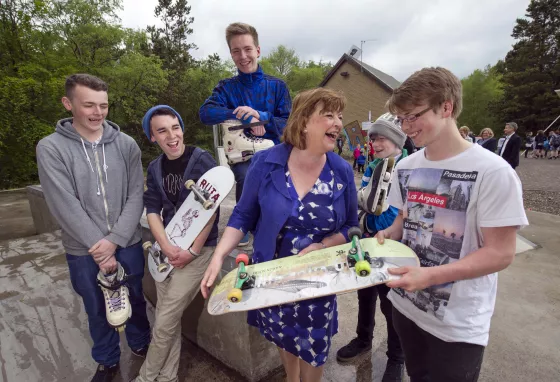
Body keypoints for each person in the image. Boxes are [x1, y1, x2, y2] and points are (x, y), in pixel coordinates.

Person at [378, 67, 527, 382]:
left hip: (457, 324)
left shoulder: (493, 172)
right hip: (406, 307)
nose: (406, 127)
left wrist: (430, 275)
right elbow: (406, 214)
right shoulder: (405, 166)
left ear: (446, 107)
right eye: (401, 119)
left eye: (414, 116)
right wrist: (390, 232)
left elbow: (501, 253)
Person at [200, 88, 358, 382]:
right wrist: (218, 255)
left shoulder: (342, 172)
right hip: (271, 274)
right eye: (328, 115)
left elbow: (350, 226)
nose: (338, 123)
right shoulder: (266, 163)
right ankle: (291, 378)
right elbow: (243, 215)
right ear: (304, 121)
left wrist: (323, 244)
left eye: (340, 116)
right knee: (284, 335)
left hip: (318, 278)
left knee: (314, 344)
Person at [36, 74, 151, 382]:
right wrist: (101, 249)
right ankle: (108, 360)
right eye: (89, 105)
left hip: (126, 242)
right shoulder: (51, 148)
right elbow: (63, 204)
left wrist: (114, 241)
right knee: (96, 307)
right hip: (83, 249)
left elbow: (135, 195)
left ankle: (142, 344)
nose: (98, 112)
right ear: (68, 103)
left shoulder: (126, 145)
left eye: (103, 105)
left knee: (136, 297)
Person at [134, 106, 220, 382]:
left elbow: (211, 210)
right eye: (162, 130)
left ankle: (146, 378)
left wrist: (192, 251)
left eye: (175, 127)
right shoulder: (155, 167)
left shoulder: (200, 160)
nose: (172, 136)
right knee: (166, 319)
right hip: (166, 251)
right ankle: (167, 377)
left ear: (182, 128)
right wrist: (167, 247)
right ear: (152, 137)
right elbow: (152, 211)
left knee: (164, 320)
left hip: (200, 251)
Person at [199, 22, 291, 247]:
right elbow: (206, 113)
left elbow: (289, 122)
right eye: (236, 51)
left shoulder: (278, 87)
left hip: (276, 153)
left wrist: (260, 116)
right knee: (246, 173)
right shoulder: (226, 87)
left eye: (248, 49)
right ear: (231, 54)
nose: (243, 56)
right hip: (243, 155)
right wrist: (242, 116)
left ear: (258, 50)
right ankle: (244, 225)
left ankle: (280, 225)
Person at [337, 113, 408, 381]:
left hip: (392, 246)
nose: (375, 144)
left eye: (381, 138)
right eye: (373, 138)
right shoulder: (372, 166)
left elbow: (395, 214)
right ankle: (363, 339)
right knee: (364, 295)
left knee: (391, 306)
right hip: (368, 241)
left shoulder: (406, 167)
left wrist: (369, 217)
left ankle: (396, 359)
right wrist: (366, 217)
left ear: (397, 140)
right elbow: (364, 202)